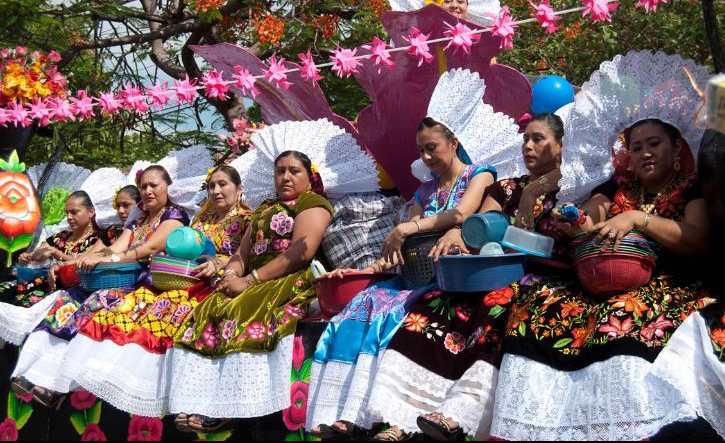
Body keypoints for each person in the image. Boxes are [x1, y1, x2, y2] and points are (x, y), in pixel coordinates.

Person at [490, 118, 714, 441]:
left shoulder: (690, 187)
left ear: (676, 147)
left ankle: (631, 429)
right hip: (604, 280)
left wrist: (639, 219)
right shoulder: (617, 187)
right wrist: (574, 221)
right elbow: (590, 222)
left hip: (670, 283)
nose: (645, 154)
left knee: (621, 314)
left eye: (655, 144)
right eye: (636, 148)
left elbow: (698, 239)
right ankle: (541, 427)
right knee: (537, 305)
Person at [361, 114, 565, 441]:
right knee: (429, 308)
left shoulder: (576, 184)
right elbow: (478, 224)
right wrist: (458, 233)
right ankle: (399, 420)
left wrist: (544, 191)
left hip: (540, 278)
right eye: (525, 138)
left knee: (497, 308)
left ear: (561, 146)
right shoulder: (508, 187)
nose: (528, 146)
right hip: (493, 271)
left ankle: (459, 414)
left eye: (538, 139)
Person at [306, 116, 496, 440]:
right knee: (362, 306)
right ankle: (348, 414)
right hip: (415, 275)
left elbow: (462, 213)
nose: (426, 158)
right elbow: (400, 250)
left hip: (453, 276)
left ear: (453, 143)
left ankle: (397, 418)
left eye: (432, 148)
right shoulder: (425, 191)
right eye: (421, 151)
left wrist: (408, 226)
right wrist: (359, 271)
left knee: (398, 317)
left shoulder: (479, 174)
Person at [59, 166, 252, 417]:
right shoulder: (201, 220)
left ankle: (168, 393)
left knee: (173, 311)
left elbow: (244, 256)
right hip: (183, 279)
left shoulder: (248, 219)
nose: (215, 191)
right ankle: (110, 376)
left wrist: (219, 263)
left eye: (223, 184)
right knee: (132, 307)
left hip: (215, 284)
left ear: (239, 189)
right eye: (211, 186)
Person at [169, 150, 334, 433]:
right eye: (280, 171)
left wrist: (250, 281)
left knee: (242, 309)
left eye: (294, 171)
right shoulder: (265, 208)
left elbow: (301, 251)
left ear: (309, 177)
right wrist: (232, 274)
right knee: (211, 306)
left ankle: (234, 406)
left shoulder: (312, 202)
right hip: (254, 279)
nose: (285, 177)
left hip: (288, 277)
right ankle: (202, 400)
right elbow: (241, 254)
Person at [9, 165, 190, 408]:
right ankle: (35, 372)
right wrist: (84, 259)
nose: (147, 190)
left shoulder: (175, 217)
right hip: (122, 277)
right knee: (68, 298)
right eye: (143, 186)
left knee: (98, 300)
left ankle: (60, 383)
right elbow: (114, 249)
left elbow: (150, 249)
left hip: (148, 284)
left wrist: (106, 258)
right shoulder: (139, 222)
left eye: (153, 185)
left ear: (168, 186)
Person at [0, 191, 122, 309]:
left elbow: (81, 261)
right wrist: (29, 256)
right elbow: (40, 252)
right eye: (67, 213)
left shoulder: (99, 238)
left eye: (74, 212)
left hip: (70, 290)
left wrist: (55, 253)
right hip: (47, 283)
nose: (69, 217)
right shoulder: (62, 237)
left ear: (91, 212)